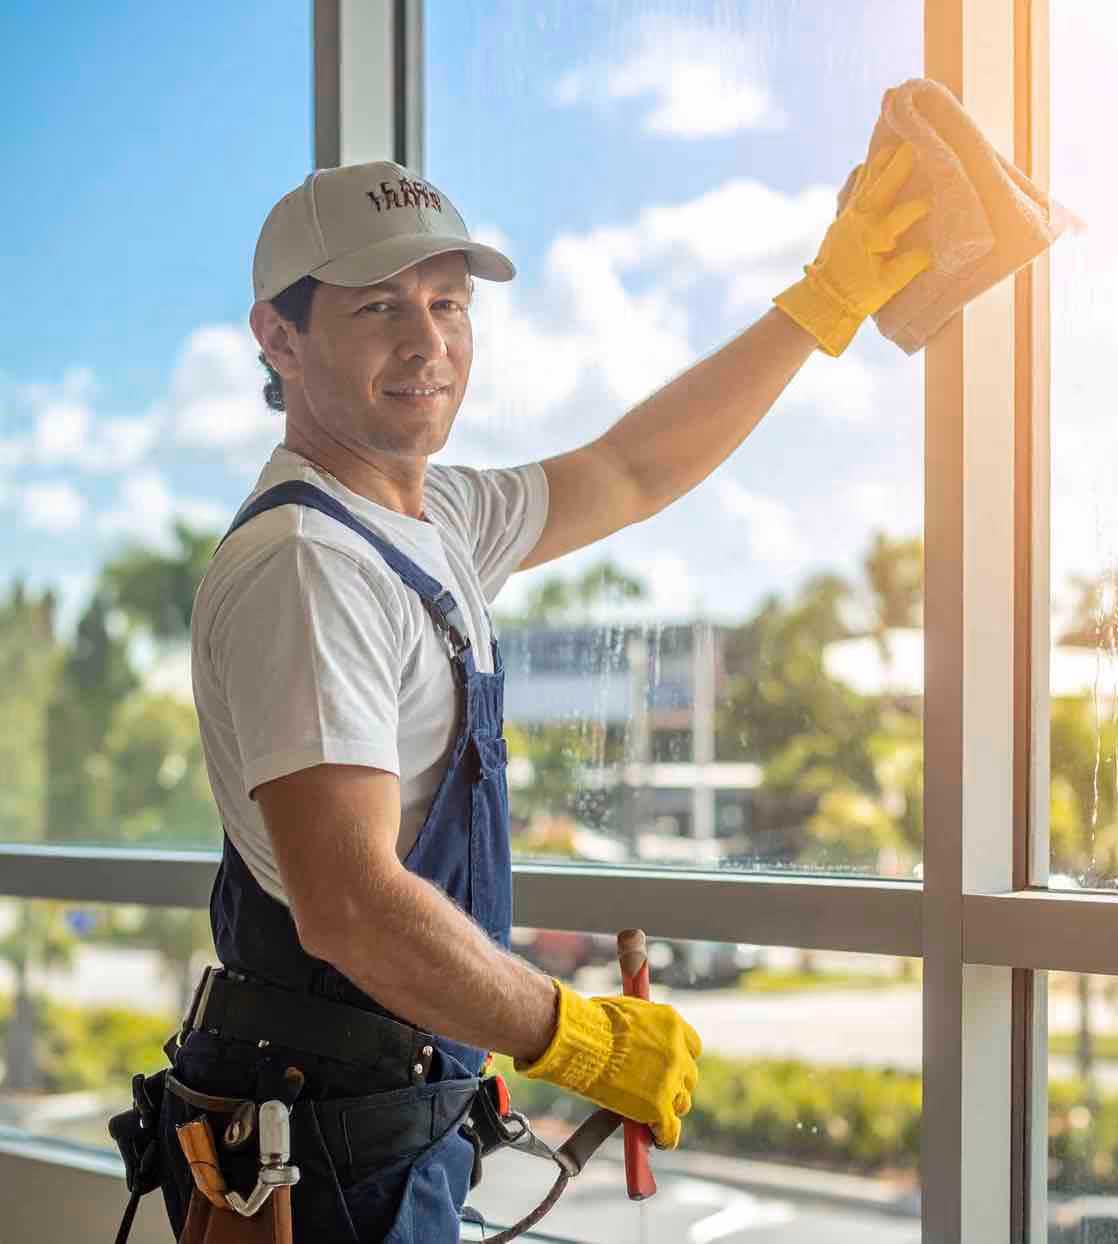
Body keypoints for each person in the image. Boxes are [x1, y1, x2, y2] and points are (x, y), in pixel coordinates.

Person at [146, 148, 930, 1242]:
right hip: (325, 1155)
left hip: (382, 1117)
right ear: (278, 337)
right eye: (378, 307)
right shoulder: (309, 564)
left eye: (448, 304)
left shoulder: (434, 520)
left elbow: (630, 470)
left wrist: (824, 299)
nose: (427, 342)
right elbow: (351, 904)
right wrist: (579, 1037)